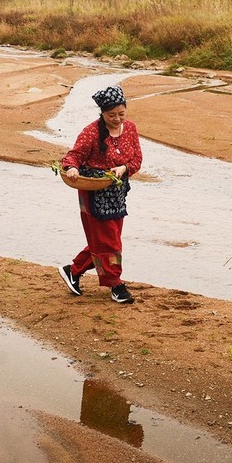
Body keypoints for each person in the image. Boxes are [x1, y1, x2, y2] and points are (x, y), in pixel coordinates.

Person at [58, 84, 142, 304]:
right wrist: (72, 169)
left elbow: (137, 160)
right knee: (109, 242)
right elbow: (72, 157)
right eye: (111, 115)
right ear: (102, 113)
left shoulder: (130, 129)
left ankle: (74, 270)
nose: (117, 119)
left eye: (121, 114)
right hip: (93, 193)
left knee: (106, 240)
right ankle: (116, 285)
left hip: (116, 194)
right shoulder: (91, 132)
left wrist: (124, 169)